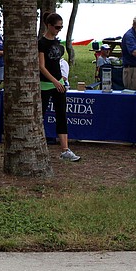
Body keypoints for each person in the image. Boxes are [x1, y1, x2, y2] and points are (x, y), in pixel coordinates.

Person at [38, 12, 80, 162]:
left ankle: (65, 149)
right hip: (46, 84)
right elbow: (41, 66)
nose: (58, 30)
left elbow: (57, 63)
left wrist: (61, 79)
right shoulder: (42, 43)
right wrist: (54, 81)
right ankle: (38, 145)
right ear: (48, 26)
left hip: (59, 83)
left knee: (61, 115)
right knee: (40, 114)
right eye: (56, 27)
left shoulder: (57, 43)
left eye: (61, 28)